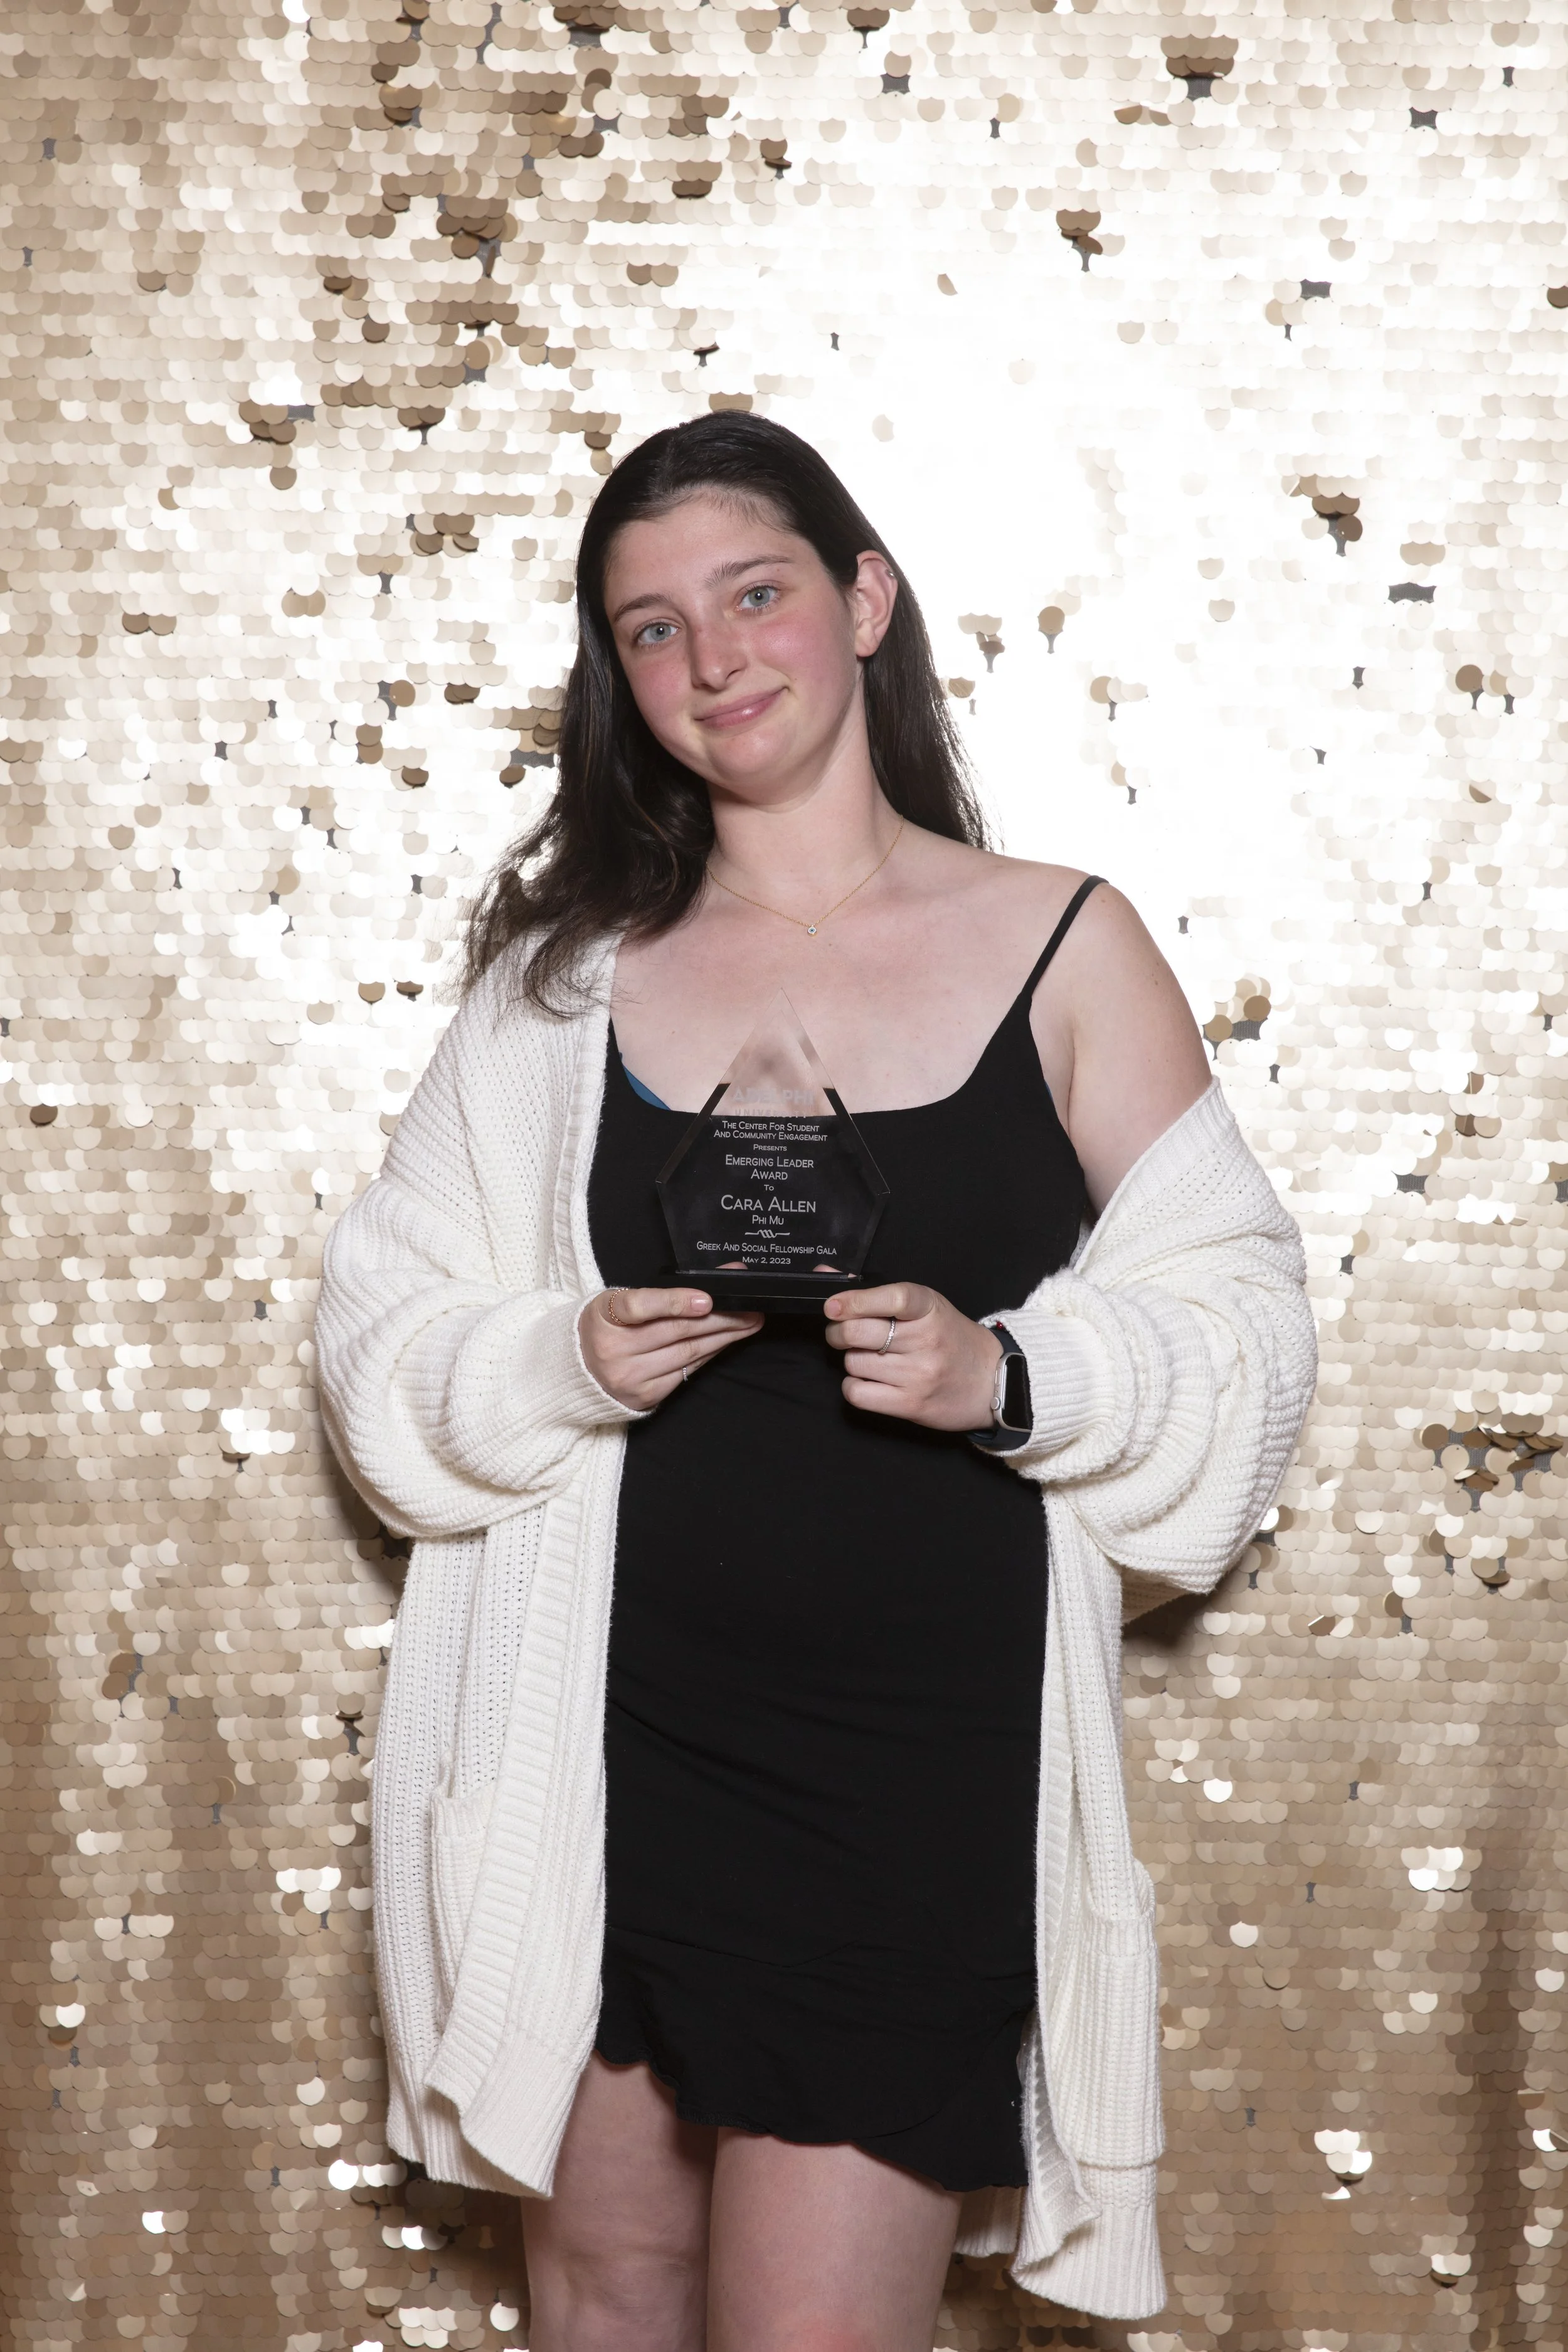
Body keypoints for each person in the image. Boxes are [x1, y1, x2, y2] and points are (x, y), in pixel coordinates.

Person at [315, 415, 1316, 2352]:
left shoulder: (1064, 942)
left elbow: (1245, 1317)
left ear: (862, 600)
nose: (713, 659)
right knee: (605, 2296)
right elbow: (383, 1335)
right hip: (594, 1754)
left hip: (905, 1778)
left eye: (754, 593)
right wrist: (560, 1352)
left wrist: (1010, 1369)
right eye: (650, 628)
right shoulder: (556, 990)